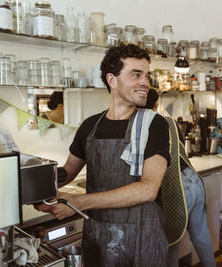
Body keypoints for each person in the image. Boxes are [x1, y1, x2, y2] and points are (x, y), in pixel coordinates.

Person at [35, 44, 170, 266]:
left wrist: (77, 201)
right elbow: (66, 173)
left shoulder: (153, 124)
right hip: (98, 233)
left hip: (143, 236)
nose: (146, 82)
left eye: (147, 75)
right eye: (136, 74)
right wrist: (34, 185)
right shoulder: (90, 126)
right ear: (112, 80)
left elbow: (148, 189)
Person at [143, 89, 216, 267]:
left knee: (170, 238)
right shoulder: (170, 122)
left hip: (175, 185)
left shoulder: (142, 126)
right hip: (193, 179)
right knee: (201, 235)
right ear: (155, 105)